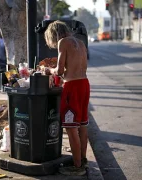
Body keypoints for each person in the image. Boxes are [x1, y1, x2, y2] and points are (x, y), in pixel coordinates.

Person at [44, 20, 90, 176]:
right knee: (82, 125)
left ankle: (77, 167)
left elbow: (59, 70)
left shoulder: (63, 42)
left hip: (72, 87)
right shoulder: (81, 43)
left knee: (71, 128)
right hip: (84, 84)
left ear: (54, 34)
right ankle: (82, 159)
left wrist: (47, 70)